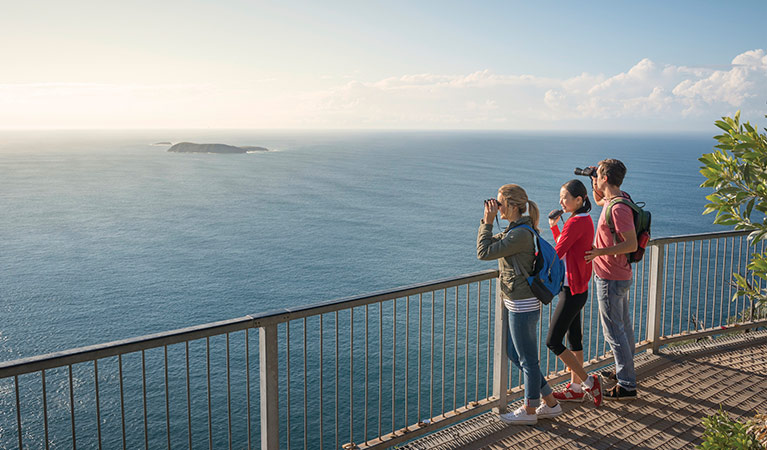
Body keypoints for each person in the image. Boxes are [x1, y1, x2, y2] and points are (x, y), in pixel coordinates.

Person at [477, 184, 562, 425]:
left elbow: (483, 252)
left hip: (522, 304)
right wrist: (489, 222)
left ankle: (530, 411)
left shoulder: (520, 234)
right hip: (517, 301)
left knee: (527, 359)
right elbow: (492, 246)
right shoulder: (516, 230)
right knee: (515, 354)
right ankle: (551, 403)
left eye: (501, 203)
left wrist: (487, 221)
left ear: (514, 206)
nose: (497, 206)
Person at [585, 159, 639, 400]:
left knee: (614, 333)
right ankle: (623, 373)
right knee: (624, 328)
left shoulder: (618, 208)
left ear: (606, 178)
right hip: (619, 275)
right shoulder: (618, 198)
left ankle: (627, 384)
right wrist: (592, 180)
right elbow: (598, 201)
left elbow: (631, 244)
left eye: (598, 175)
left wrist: (598, 252)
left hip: (610, 276)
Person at [545, 180, 602, 406]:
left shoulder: (575, 222)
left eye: (565, 197)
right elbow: (566, 246)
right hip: (579, 288)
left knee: (553, 342)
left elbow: (557, 253)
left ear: (579, 200)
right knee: (574, 340)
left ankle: (589, 382)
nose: (561, 201)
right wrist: (554, 226)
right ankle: (576, 388)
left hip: (571, 290)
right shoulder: (583, 219)